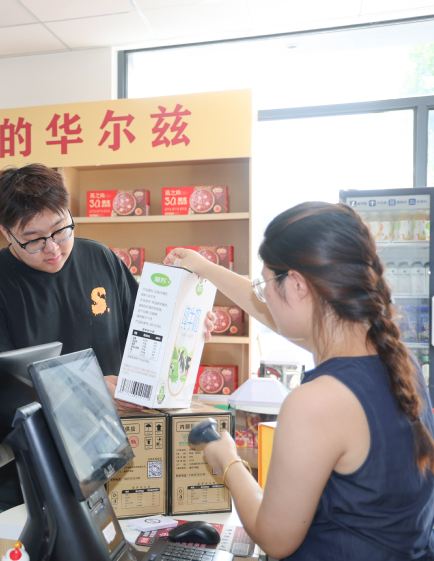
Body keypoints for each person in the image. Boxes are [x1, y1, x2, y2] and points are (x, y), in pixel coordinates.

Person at [165, 202, 434, 560]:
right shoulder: (399, 361)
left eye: (265, 284)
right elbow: (267, 310)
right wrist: (204, 268)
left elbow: (275, 538)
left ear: (296, 284)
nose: (264, 298)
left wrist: (227, 460)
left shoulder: (317, 402)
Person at [0, 163, 214, 517]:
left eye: (61, 230)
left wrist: (186, 330)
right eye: (33, 239)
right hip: (33, 474)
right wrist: (91, 387)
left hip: (115, 460)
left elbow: (148, 336)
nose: (52, 248)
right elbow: (3, 385)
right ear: (4, 231)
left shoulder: (101, 259)